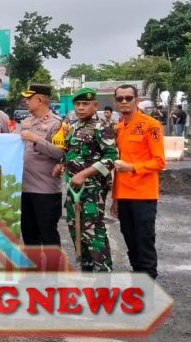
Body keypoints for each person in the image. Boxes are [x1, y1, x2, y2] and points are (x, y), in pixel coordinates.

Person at [112, 84, 166, 279]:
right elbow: (116, 168)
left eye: (128, 98)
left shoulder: (151, 125)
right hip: (123, 196)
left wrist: (132, 167)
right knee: (131, 243)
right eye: (120, 98)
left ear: (137, 99)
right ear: (115, 102)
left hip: (143, 195)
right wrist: (115, 199)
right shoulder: (118, 127)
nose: (124, 101)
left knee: (144, 242)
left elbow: (159, 162)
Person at [62, 88, 118, 273]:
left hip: (92, 191)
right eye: (77, 104)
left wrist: (84, 174)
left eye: (85, 104)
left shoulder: (102, 127)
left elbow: (111, 158)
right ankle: (86, 274)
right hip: (73, 190)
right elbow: (71, 153)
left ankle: (103, 276)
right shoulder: (73, 126)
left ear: (95, 105)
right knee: (76, 230)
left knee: (94, 233)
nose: (80, 108)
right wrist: (61, 164)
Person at [16, 85, 66, 250]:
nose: (26, 101)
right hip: (24, 188)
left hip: (45, 190)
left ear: (39, 100)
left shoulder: (57, 124)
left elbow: (60, 153)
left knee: (48, 234)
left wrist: (36, 139)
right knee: (29, 235)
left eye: (29, 98)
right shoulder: (25, 122)